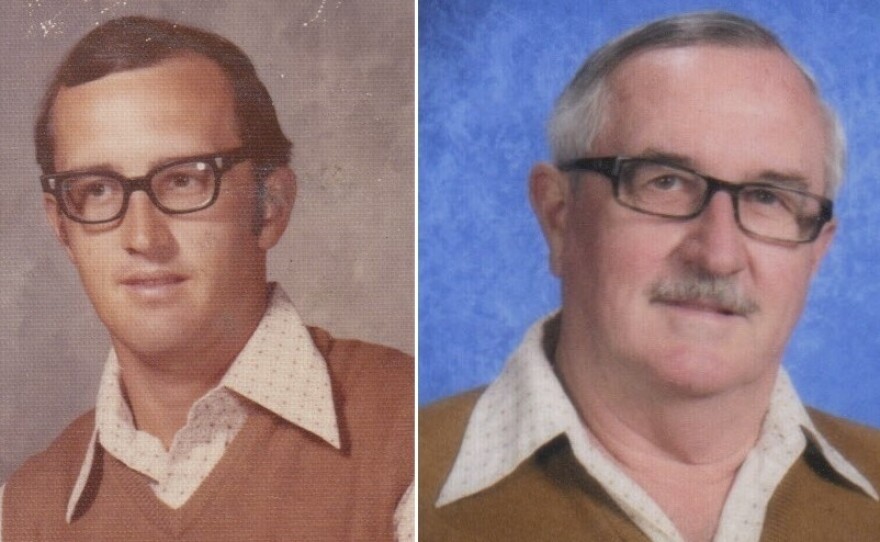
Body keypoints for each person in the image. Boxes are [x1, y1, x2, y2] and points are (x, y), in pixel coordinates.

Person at [420, 11, 880, 542]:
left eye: (768, 198)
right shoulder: (403, 478)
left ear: (817, 253)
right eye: (664, 183)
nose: (718, 253)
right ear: (558, 217)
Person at [0, 16, 412, 541]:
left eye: (184, 180)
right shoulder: (22, 512)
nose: (144, 238)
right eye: (97, 190)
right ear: (62, 227)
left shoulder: (409, 430)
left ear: (270, 206)